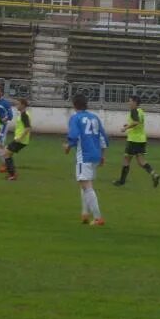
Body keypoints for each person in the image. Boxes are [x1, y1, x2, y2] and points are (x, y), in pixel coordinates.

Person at [65, 94, 107, 226]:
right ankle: (85, 214)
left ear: (74, 104)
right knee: (85, 184)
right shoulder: (94, 117)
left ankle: (98, 217)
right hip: (95, 154)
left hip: (84, 155)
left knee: (86, 185)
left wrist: (68, 145)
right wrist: (102, 154)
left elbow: (74, 135)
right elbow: (103, 137)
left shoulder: (76, 118)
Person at [113, 96, 160, 187]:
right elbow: (137, 123)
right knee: (141, 161)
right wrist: (129, 125)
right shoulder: (141, 111)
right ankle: (154, 174)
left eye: (130, 101)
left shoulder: (134, 111)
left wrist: (125, 128)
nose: (128, 103)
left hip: (133, 140)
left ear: (135, 102)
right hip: (141, 139)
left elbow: (136, 122)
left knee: (126, 160)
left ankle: (122, 181)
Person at [0, 97, 31, 181]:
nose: (16, 105)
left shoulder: (24, 115)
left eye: (18, 104)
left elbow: (28, 128)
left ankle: (12, 174)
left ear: (23, 105)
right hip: (19, 139)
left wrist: (20, 138)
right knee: (7, 153)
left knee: (6, 154)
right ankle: (11, 172)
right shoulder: (23, 114)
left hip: (20, 140)